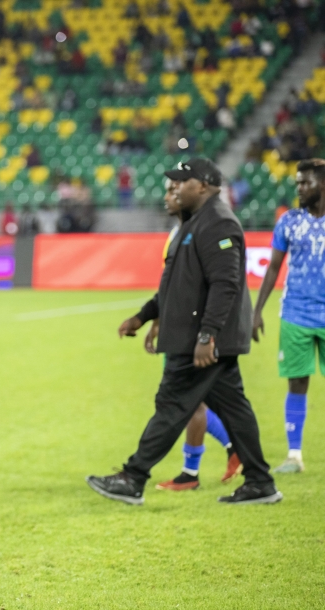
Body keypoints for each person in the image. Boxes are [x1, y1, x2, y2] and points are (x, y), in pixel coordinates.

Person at [87, 158, 280, 505]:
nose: (173, 188)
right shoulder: (193, 224)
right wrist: (144, 316)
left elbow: (226, 284)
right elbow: (176, 287)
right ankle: (261, 482)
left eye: (181, 181)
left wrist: (207, 336)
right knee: (234, 408)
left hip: (200, 341)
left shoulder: (218, 223)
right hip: (198, 337)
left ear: (204, 185)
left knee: (172, 404)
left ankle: (133, 478)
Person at [144, 178, 242, 491]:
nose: (168, 197)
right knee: (197, 401)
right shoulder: (180, 233)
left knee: (189, 403)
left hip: (192, 333)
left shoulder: (199, 232)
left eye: (174, 192)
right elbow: (172, 288)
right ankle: (233, 447)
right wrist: (156, 321)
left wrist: (204, 333)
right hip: (182, 330)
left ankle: (190, 473)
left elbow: (214, 284)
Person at [252, 158, 325, 474]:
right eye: (297, 183)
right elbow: (273, 268)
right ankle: (294, 456)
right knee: (296, 383)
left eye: (305, 183)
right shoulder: (289, 221)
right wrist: (256, 311)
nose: (299, 188)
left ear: (321, 184)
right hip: (295, 312)